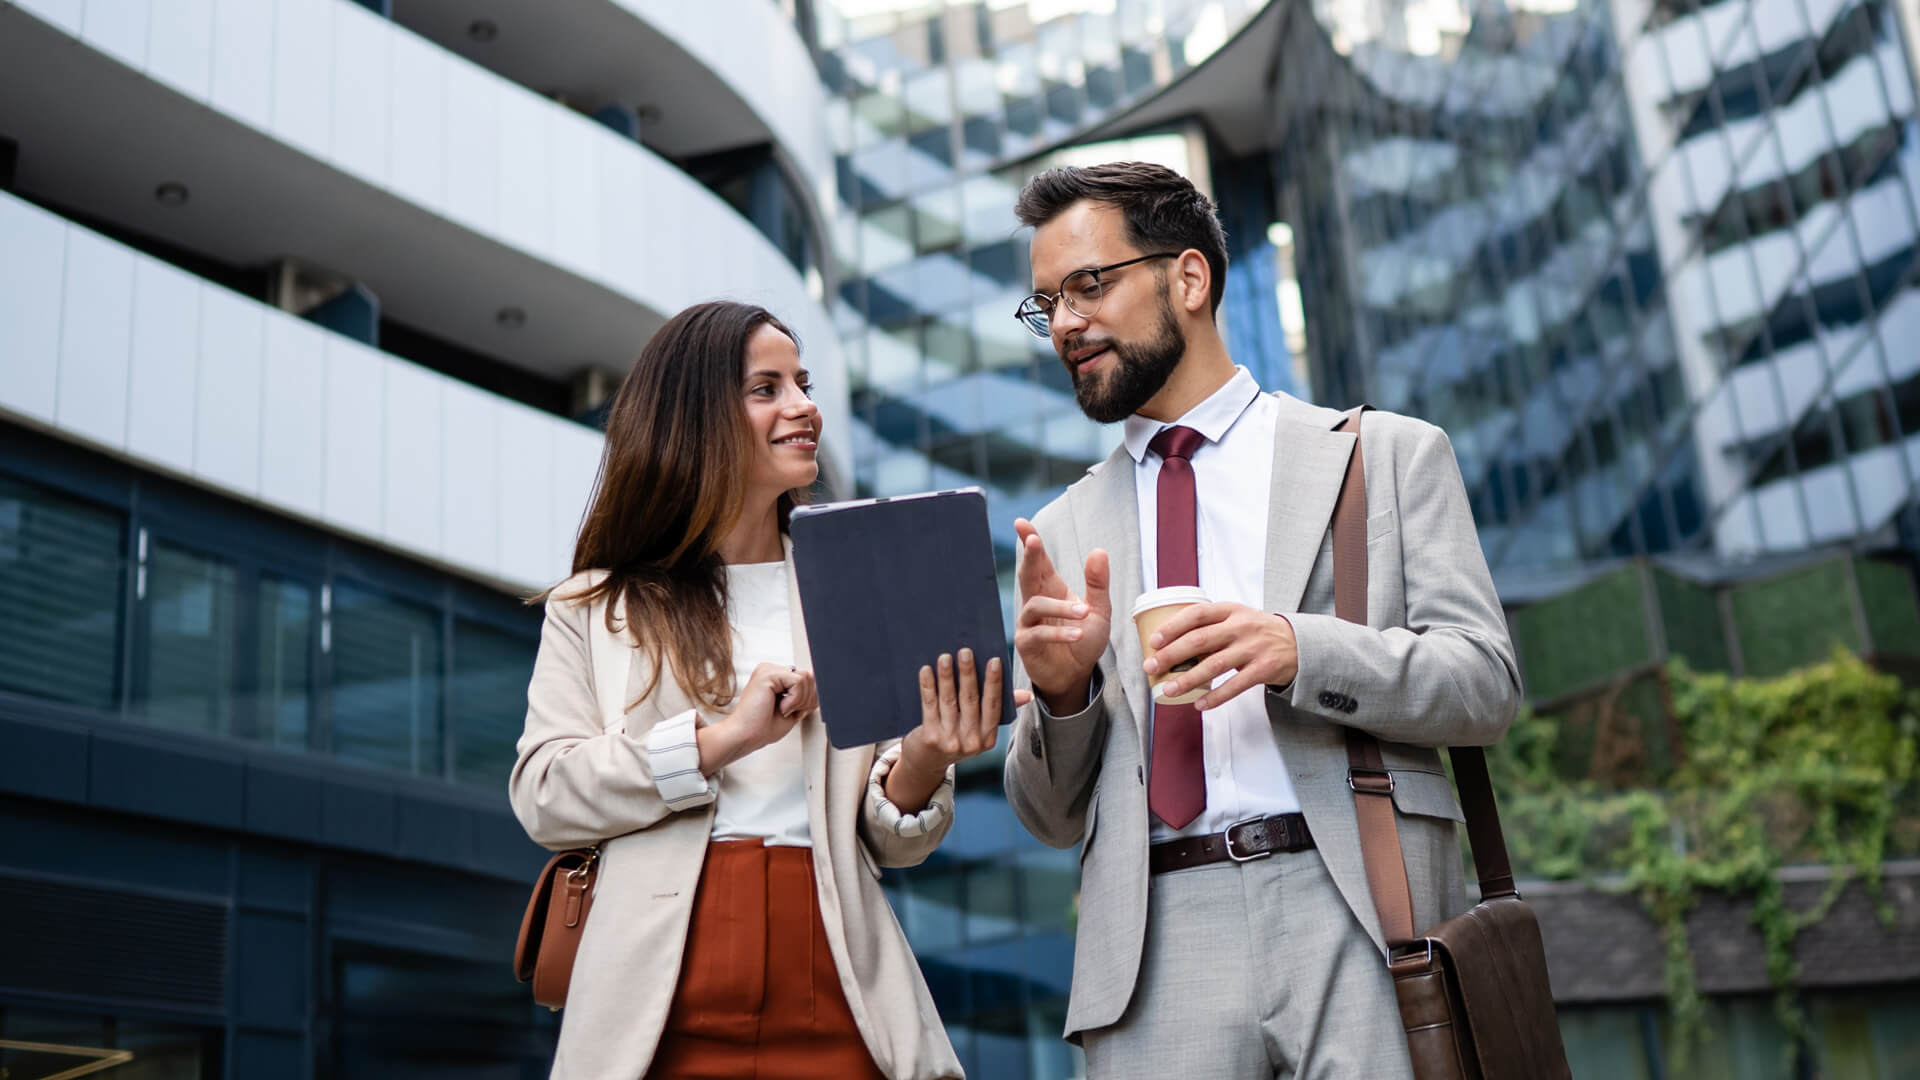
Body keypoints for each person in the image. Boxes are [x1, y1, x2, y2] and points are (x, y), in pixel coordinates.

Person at [1000, 162, 1522, 1079]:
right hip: (1154, 946)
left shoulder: (1385, 458)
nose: (1068, 324)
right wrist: (1063, 693)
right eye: (1047, 304)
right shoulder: (1060, 531)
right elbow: (1048, 817)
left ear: (1189, 279)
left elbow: (1485, 684)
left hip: (1362, 908)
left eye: (1090, 283)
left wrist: (1297, 648)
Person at [511, 301, 1009, 1080]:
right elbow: (544, 794)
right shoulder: (596, 606)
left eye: (803, 384)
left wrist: (922, 756)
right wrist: (720, 741)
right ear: (695, 417)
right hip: (661, 984)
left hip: (837, 965)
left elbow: (894, 839)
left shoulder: (855, 585)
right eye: (766, 388)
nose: (804, 407)